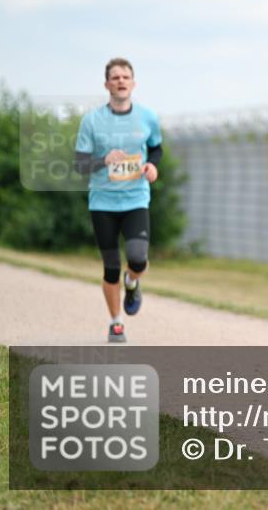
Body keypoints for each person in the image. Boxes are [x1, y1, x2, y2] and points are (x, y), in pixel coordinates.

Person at [74, 58, 162, 343]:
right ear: (107, 84)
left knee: (137, 259)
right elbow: (80, 164)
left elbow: (155, 149)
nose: (121, 81)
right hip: (103, 203)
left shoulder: (147, 117)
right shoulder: (92, 120)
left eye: (126, 77)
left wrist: (152, 167)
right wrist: (103, 160)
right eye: (115, 77)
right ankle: (116, 323)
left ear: (133, 84)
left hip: (136, 198)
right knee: (111, 267)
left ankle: (133, 281)